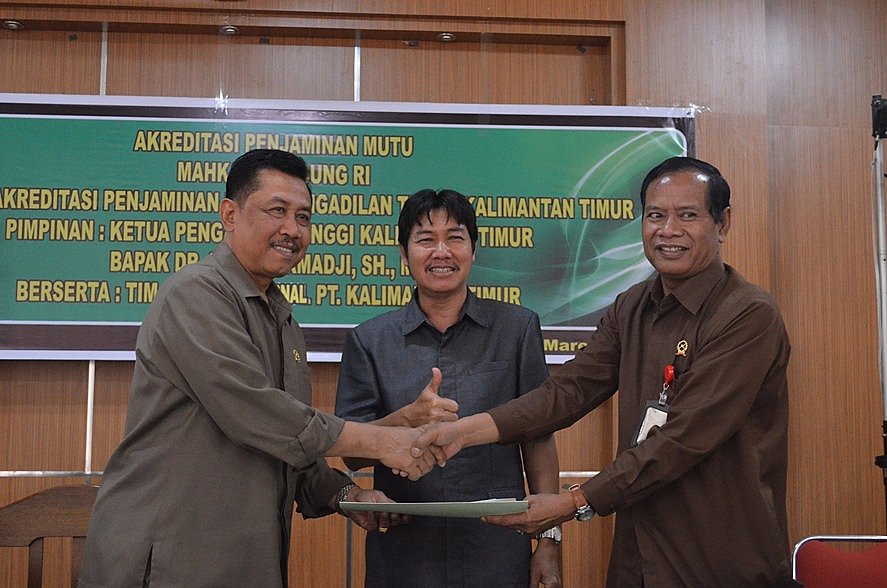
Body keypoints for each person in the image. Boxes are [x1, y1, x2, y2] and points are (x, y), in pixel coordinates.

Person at [417, 157, 794, 587]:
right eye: (655, 215)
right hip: (639, 559)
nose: (668, 230)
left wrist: (575, 501)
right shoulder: (632, 307)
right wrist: (463, 433)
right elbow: (567, 391)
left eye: (688, 215)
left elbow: (683, 439)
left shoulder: (747, 315)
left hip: (720, 559)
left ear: (722, 223)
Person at [79, 149, 441, 588]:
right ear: (229, 215)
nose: (292, 229)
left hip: (243, 561)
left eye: (303, 217)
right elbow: (258, 413)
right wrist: (383, 441)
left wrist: (346, 494)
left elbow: (286, 442)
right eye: (277, 211)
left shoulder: (281, 319)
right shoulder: (194, 294)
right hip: (170, 561)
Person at [335, 188, 562, 587]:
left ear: (473, 250)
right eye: (426, 239)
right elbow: (351, 454)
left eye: (455, 238)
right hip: (405, 550)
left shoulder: (517, 329)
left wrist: (549, 541)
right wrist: (405, 419)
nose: (441, 252)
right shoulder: (369, 340)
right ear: (404, 254)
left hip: (496, 547)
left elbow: (538, 437)